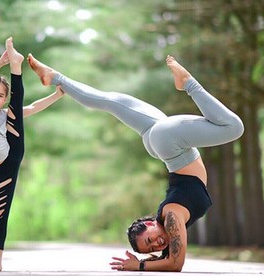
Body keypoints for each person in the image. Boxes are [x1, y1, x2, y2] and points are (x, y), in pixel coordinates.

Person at [27, 54, 244, 272]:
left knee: (234, 128)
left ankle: (188, 83)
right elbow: (169, 258)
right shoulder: (168, 223)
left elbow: (176, 265)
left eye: (150, 240)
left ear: (150, 224)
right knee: (109, 101)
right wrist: (141, 262)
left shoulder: (171, 218)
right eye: (152, 248)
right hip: (158, 141)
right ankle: (56, 78)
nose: (157, 244)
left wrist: (139, 265)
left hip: (169, 142)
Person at [0, 37, 64, 272]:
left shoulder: (3, 115)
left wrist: (57, 95)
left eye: (1, 96)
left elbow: (30, 108)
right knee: (0, 213)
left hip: (11, 156)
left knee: (16, 113)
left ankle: (16, 66)